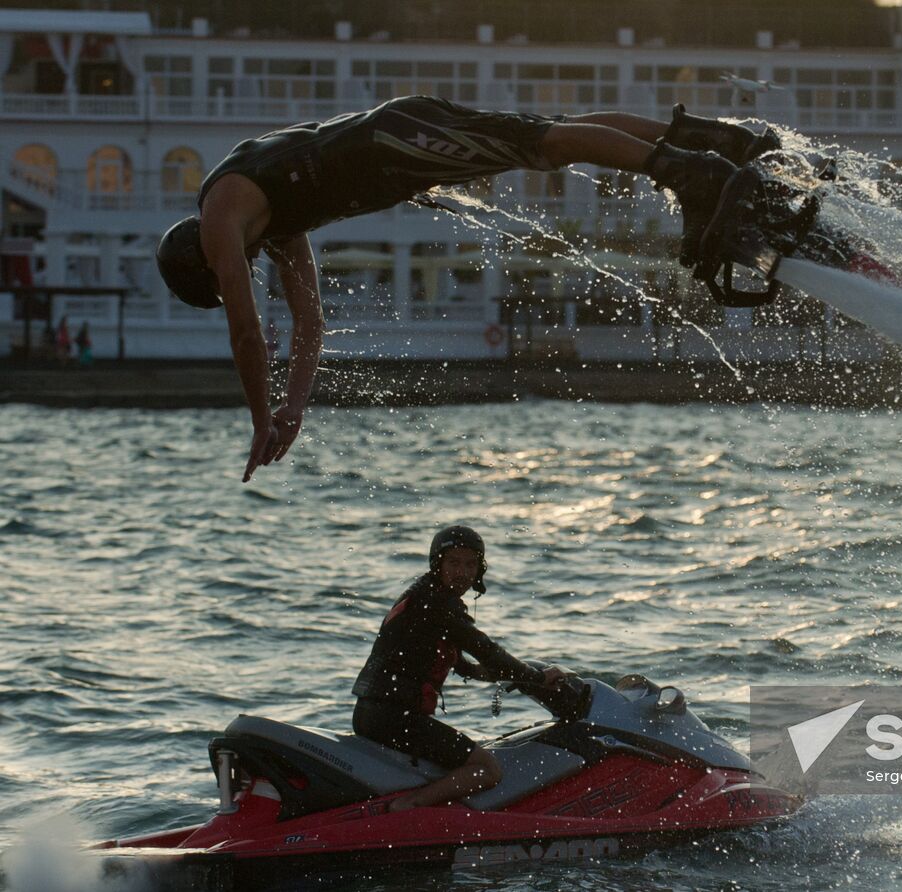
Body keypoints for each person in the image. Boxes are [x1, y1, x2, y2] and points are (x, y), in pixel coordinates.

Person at [155, 97, 775, 482]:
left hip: (392, 142)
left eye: (223, 276)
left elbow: (245, 331)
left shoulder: (221, 217)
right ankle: (706, 142)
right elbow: (310, 322)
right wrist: (294, 408)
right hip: (395, 149)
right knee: (547, 140)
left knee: (542, 144)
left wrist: (260, 421)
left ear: (202, 262)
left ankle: (691, 173)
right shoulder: (275, 225)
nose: (241, 272)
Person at [351, 525, 567, 811]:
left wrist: (494, 675)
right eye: (453, 562)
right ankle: (409, 807)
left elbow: (464, 665)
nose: (462, 572)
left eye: (470, 564)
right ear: (437, 564)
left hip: (376, 713)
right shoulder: (438, 604)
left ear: (480, 569)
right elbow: (487, 651)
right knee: (487, 769)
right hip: (395, 718)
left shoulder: (423, 596)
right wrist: (538, 678)